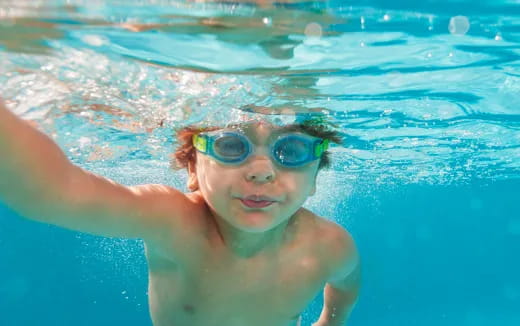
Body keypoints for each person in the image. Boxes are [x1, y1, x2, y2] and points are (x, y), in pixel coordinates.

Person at [0, 98, 361, 326]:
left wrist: (331, 321)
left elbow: (347, 284)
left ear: (315, 178)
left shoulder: (329, 246)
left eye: (293, 150)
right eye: (231, 145)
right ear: (192, 170)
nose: (262, 170)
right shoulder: (173, 221)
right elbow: (53, 192)